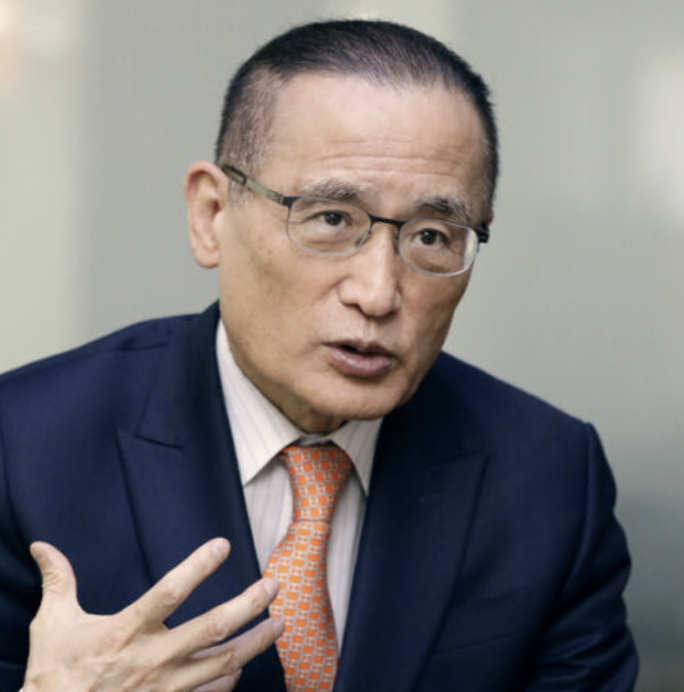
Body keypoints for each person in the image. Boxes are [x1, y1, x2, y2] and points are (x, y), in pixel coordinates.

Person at [0, 18, 637, 692]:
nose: (378, 292)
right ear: (212, 215)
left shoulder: (549, 478)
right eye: (331, 219)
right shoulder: (24, 450)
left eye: (432, 235)